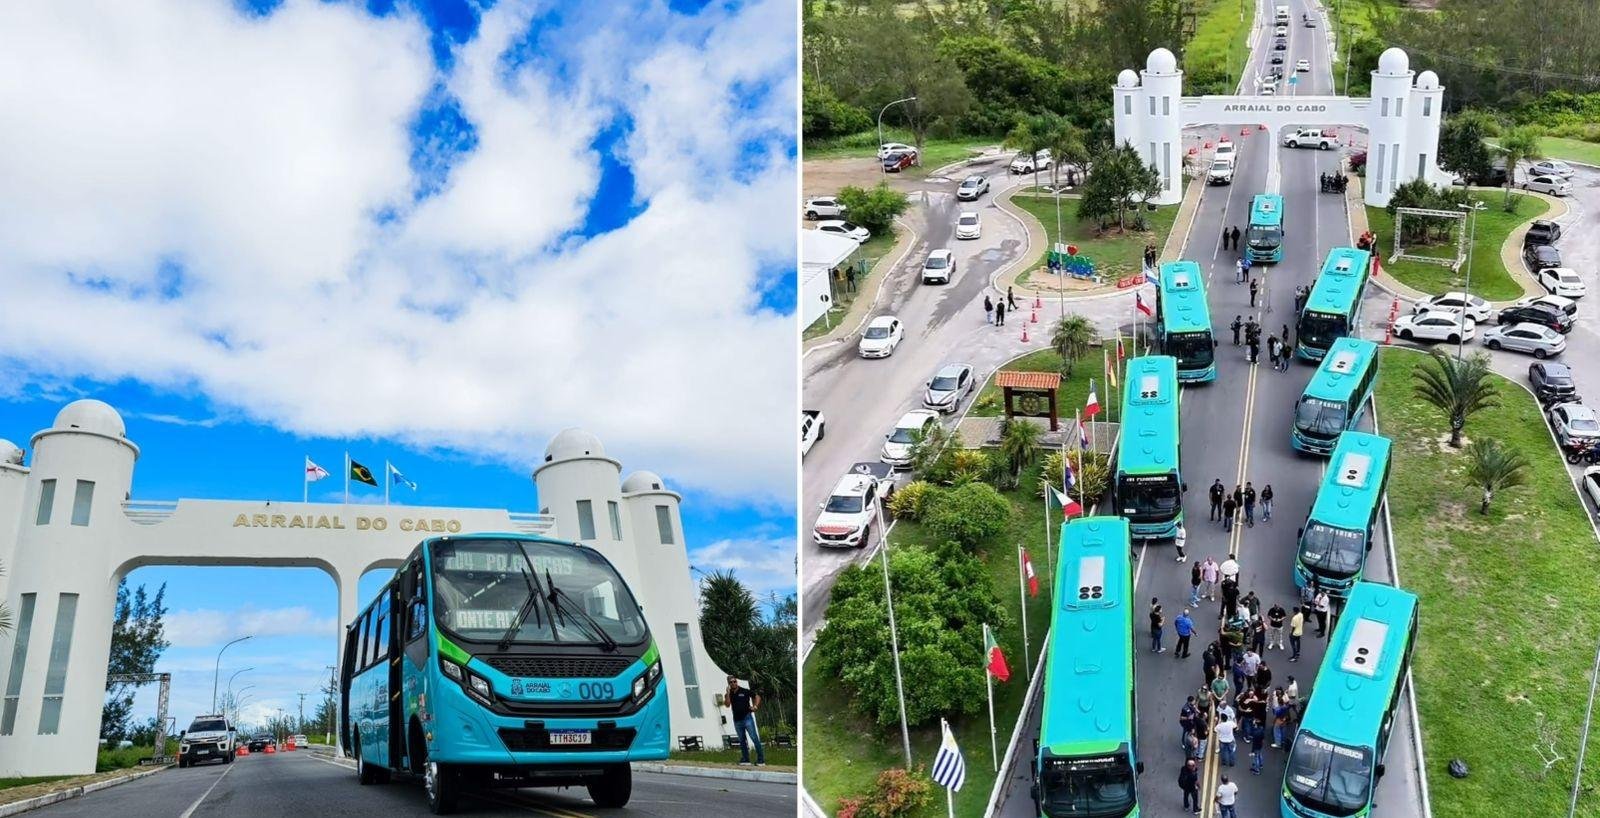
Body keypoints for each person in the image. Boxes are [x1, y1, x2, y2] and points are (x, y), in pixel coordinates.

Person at [726, 676, 766, 766]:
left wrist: (755, 706)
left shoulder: (744, 691)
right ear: (729, 684)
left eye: (734, 681)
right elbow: (727, 704)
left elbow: (757, 697)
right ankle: (746, 759)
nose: (733, 683)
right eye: (731, 682)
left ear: (737, 682)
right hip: (737, 720)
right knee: (742, 740)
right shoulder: (729, 694)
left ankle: (761, 760)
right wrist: (728, 693)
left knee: (754, 738)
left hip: (747, 718)